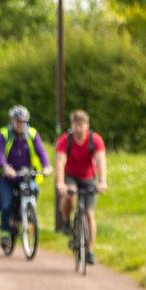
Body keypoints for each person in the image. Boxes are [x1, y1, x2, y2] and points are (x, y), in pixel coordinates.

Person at [55, 110, 108, 266]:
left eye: (82, 125)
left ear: (87, 125)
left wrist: (102, 181)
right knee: (70, 195)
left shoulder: (95, 140)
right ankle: (66, 220)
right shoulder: (65, 140)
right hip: (70, 175)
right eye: (76, 125)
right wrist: (60, 183)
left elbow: (100, 162)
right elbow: (60, 162)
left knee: (89, 214)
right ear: (72, 126)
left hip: (89, 178)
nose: (79, 129)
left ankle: (90, 250)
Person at [0, 105, 49, 249]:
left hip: (26, 176)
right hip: (8, 177)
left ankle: (28, 215)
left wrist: (47, 166)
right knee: (6, 206)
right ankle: (5, 232)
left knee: (34, 190)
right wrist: (5, 167)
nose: (21, 125)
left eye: (23, 122)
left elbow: (41, 152)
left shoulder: (32, 134)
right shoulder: (4, 134)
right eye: (18, 121)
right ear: (12, 121)